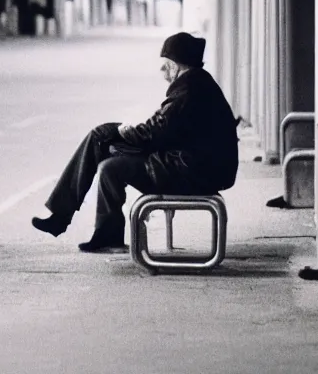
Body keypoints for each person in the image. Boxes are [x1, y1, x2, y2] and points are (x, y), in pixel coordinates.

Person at [31, 32, 239, 252]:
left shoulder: (189, 90)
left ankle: (78, 222)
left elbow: (155, 134)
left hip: (193, 171)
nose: (162, 71)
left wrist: (126, 133)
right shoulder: (196, 85)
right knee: (102, 139)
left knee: (110, 161)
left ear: (178, 66)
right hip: (189, 165)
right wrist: (127, 134)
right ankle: (74, 221)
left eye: (166, 65)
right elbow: (164, 130)